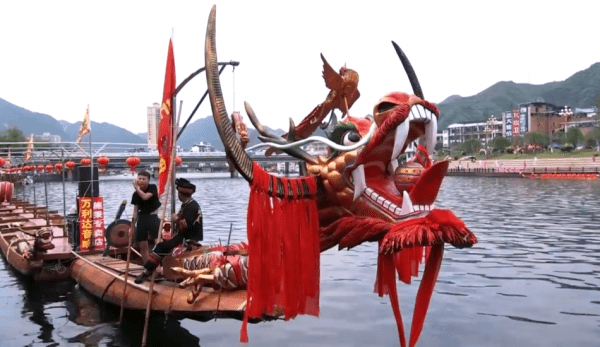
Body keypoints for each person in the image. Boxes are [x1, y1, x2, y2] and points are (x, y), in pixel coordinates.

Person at [135, 178, 203, 284]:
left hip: (188, 238)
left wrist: (176, 219)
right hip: (183, 235)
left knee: (161, 246)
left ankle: (147, 271)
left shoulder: (191, 206)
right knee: (164, 243)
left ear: (181, 194)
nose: (178, 196)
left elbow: (186, 225)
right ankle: (157, 270)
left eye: (178, 193)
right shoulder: (188, 204)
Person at [131, 171, 161, 263]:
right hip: (142, 218)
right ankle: (147, 266)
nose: (141, 181)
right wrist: (132, 226)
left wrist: (137, 189)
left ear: (148, 180)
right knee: (143, 244)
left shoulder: (152, 188)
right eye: (139, 179)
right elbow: (135, 212)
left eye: (144, 179)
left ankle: (162, 264)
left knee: (158, 242)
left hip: (153, 217)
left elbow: (145, 197)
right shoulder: (135, 194)